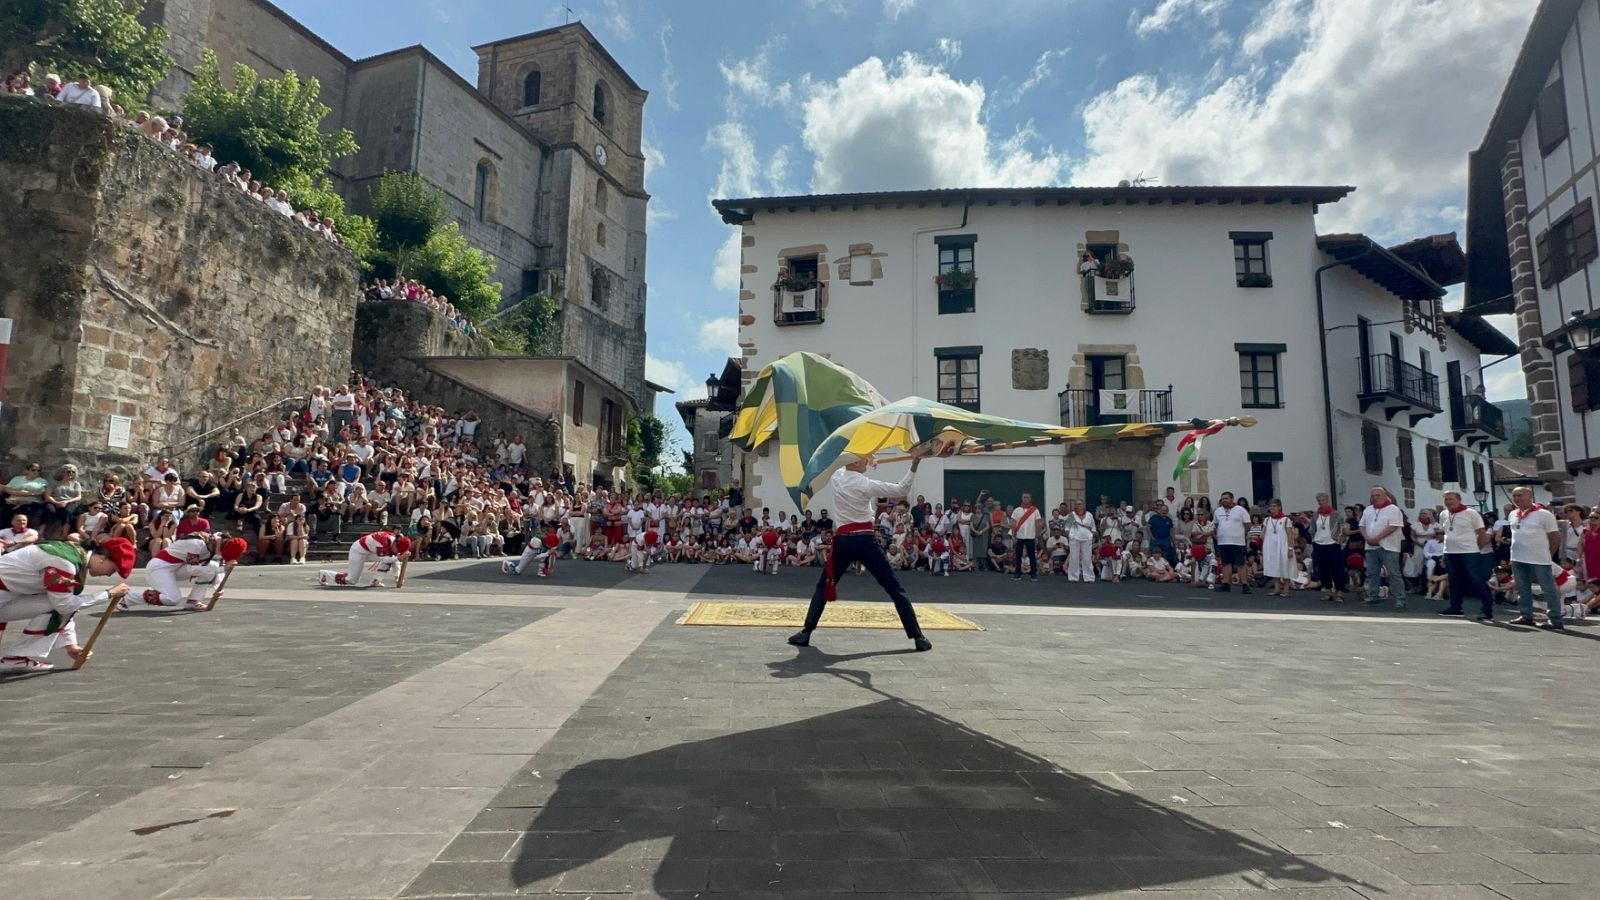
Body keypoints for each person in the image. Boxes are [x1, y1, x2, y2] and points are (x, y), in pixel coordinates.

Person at [788, 451, 932, 652]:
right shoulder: (866, 484)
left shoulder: (837, 477)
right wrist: (915, 463)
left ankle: (806, 632)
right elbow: (902, 488)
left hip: (844, 542)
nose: (868, 459)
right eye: (865, 457)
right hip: (865, 541)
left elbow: (842, 465)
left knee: (823, 586)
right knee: (894, 587)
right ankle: (918, 637)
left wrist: (867, 461)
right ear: (855, 462)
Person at [0, 537, 136, 672]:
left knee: (57, 604)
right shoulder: (65, 563)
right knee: (61, 604)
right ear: (103, 559)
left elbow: (62, 606)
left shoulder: (73, 555)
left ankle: (16, 659)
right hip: (5, 596)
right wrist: (107, 594)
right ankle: (16, 658)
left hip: (6, 596)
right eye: (113, 569)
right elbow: (63, 605)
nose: (108, 575)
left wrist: (71, 645)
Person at [1506, 486, 1563, 629]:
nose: (1517, 498)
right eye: (1515, 496)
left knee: (1548, 589)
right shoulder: (1513, 514)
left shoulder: (1544, 514)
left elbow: (1555, 536)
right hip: (1518, 557)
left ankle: (1555, 619)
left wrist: (1549, 554)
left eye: (1520, 495)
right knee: (1522, 588)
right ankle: (1526, 616)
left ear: (1530, 496)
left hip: (1539, 558)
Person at [1359, 486, 1406, 610]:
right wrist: (1367, 538)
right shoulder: (1368, 510)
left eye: (1377, 495)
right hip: (1370, 546)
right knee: (1372, 573)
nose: (1374, 498)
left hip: (1389, 546)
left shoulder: (1393, 509)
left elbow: (1393, 526)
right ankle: (1373, 596)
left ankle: (1399, 599)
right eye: (1373, 495)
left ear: (1385, 496)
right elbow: (1362, 525)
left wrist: (1377, 538)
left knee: (1393, 573)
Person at [318, 530, 412, 588]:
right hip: (358, 551)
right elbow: (385, 559)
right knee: (352, 580)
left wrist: (398, 577)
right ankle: (325, 574)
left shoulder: (394, 542)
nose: (396, 551)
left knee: (392, 558)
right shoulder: (383, 541)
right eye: (397, 549)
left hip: (370, 551)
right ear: (395, 543)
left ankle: (376, 580)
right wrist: (399, 557)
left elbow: (394, 559)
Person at [1310, 493, 1347, 601]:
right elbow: (1312, 528)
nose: (1320, 502)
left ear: (1327, 500)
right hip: (1319, 544)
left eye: (1322, 500)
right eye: (1319, 501)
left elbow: (1342, 527)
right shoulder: (1315, 515)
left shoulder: (1335, 514)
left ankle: (1340, 590)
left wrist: (1340, 538)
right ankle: (1327, 589)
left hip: (1333, 543)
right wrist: (1313, 539)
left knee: (1337, 568)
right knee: (1323, 568)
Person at [1212, 491, 1251, 593]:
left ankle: (1245, 585)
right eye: (1223, 499)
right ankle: (1226, 584)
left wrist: (1241, 534)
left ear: (1232, 499)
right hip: (1223, 542)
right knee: (1226, 563)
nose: (1224, 500)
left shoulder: (1241, 510)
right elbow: (1216, 525)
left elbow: (1247, 525)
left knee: (1241, 563)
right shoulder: (1218, 511)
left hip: (1238, 542)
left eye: (1226, 498)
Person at [1261, 499, 1295, 597]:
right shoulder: (1267, 520)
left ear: (1279, 507)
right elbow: (1263, 533)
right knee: (1273, 566)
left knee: (1285, 566)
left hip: (1283, 546)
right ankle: (1277, 588)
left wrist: (1290, 548)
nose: (1272, 508)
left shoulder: (1285, 520)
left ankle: (1286, 589)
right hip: (1271, 546)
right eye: (1271, 506)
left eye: (1274, 506)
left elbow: (1290, 535)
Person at [1010, 492, 1043, 582]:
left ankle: (1033, 574)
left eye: (1027, 497)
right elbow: (1013, 523)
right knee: (1018, 555)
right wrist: (1013, 535)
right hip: (1019, 536)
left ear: (1030, 499)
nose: (1025, 499)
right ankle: (1017, 574)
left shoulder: (1035, 510)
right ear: (1021, 498)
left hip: (1030, 536)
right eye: (1024, 497)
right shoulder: (1017, 510)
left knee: (1032, 556)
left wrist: (1037, 536)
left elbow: (1038, 524)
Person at [1064, 500, 1096, 583]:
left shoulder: (1089, 515)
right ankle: (1073, 577)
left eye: (1080, 504)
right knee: (1074, 557)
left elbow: (1093, 526)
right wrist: (1070, 535)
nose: (1078, 506)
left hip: (1087, 539)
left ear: (1083, 505)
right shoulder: (1072, 515)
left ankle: (1089, 577)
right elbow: (1067, 527)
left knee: (1087, 558)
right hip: (1074, 538)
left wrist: (1092, 534)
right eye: (1076, 504)